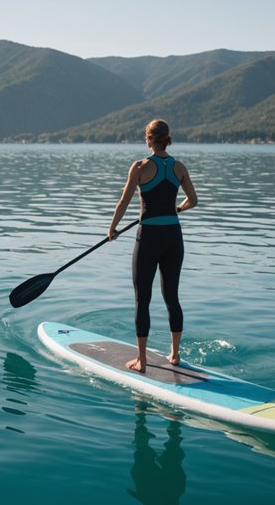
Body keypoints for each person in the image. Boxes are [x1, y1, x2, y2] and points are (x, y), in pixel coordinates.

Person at [107, 119, 198, 373]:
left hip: (148, 237)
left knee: (142, 299)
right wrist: (177, 208)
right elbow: (194, 200)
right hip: (173, 237)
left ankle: (142, 361)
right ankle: (175, 355)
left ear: (148, 139)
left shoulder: (139, 167)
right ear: (167, 138)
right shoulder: (179, 167)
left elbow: (124, 201)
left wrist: (112, 229)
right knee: (172, 297)